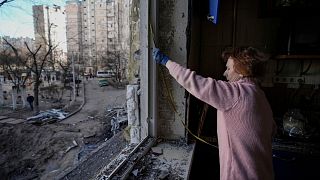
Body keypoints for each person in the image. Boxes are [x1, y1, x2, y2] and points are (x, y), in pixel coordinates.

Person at [153, 47, 277, 180]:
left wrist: (166, 62)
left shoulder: (237, 93)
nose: (225, 73)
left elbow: (195, 82)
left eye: (229, 68)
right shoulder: (260, 95)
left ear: (242, 71)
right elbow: (272, 130)